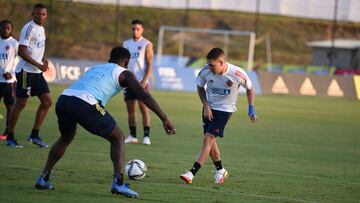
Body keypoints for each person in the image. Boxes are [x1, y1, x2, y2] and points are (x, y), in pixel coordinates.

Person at [34, 47, 176, 198]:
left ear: (109, 60)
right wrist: (165, 118)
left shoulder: (96, 67)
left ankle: (44, 177)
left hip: (65, 99)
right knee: (118, 137)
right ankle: (119, 183)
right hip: (86, 103)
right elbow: (144, 96)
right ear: (127, 62)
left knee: (65, 138)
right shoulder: (125, 73)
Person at [180, 48, 258, 184]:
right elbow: (200, 87)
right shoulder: (205, 71)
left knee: (208, 139)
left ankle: (192, 173)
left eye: (212, 65)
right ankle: (220, 170)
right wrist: (206, 105)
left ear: (221, 62)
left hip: (225, 110)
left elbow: (250, 88)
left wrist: (251, 108)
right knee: (210, 141)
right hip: (208, 108)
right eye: (208, 64)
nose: (209, 67)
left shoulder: (237, 73)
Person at [6, 3, 51, 148]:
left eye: (43, 14)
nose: (41, 16)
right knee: (21, 104)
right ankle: (10, 136)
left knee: (47, 102)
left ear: (46, 15)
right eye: (38, 14)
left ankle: (34, 135)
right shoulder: (29, 27)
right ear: (32, 14)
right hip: (26, 72)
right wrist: (38, 65)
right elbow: (22, 51)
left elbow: (36, 48)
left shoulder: (42, 29)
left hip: (37, 72)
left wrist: (42, 61)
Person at [123, 19, 154, 145]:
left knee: (144, 108)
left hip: (141, 81)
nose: (135, 31)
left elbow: (150, 64)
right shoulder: (126, 44)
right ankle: (132, 135)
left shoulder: (147, 43)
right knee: (130, 109)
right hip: (129, 81)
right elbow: (124, 63)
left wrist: (144, 80)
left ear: (142, 30)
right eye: (133, 29)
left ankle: (146, 136)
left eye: (137, 29)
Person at [0, 20, 18, 140]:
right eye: (3, 28)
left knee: (10, 106)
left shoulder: (15, 44)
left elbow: (20, 60)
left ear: (11, 30)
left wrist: (11, 73)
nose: (5, 30)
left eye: (8, 28)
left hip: (8, 82)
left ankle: (8, 130)